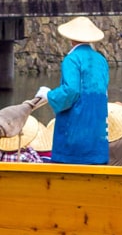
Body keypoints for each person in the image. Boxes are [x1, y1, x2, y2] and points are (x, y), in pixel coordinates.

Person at [36, 16, 110, 164]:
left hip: (75, 126)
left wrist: (49, 95)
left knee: (68, 160)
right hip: (97, 126)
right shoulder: (101, 60)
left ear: (71, 38)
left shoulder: (72, 59)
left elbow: (71, 91)